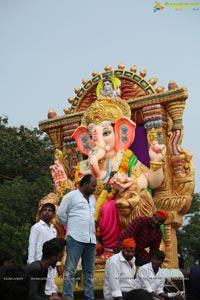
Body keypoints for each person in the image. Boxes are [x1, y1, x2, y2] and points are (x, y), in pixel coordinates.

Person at [56, 174, 97, 300]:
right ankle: (68, 297)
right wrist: (73, 225)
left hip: (91, 239)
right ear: (85, 184)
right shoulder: (71, 196)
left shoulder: (93, 199)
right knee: (70, 270)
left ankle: (89, 297)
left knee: (89, 272)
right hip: (75, 237)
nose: (95, 188)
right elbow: (60, 214)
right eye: (93, 185)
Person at [27, 202, 59, 296]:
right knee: (38, 290)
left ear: (53, 214)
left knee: (50, 288)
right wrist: (32, 263)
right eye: (45, 210)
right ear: (41, 213)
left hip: (51, 263)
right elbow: (32, 245)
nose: (47, 212)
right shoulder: (36, 227)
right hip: (39, 263)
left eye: (50, 210)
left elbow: (56, 248)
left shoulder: (54, 229)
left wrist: (57, 263)